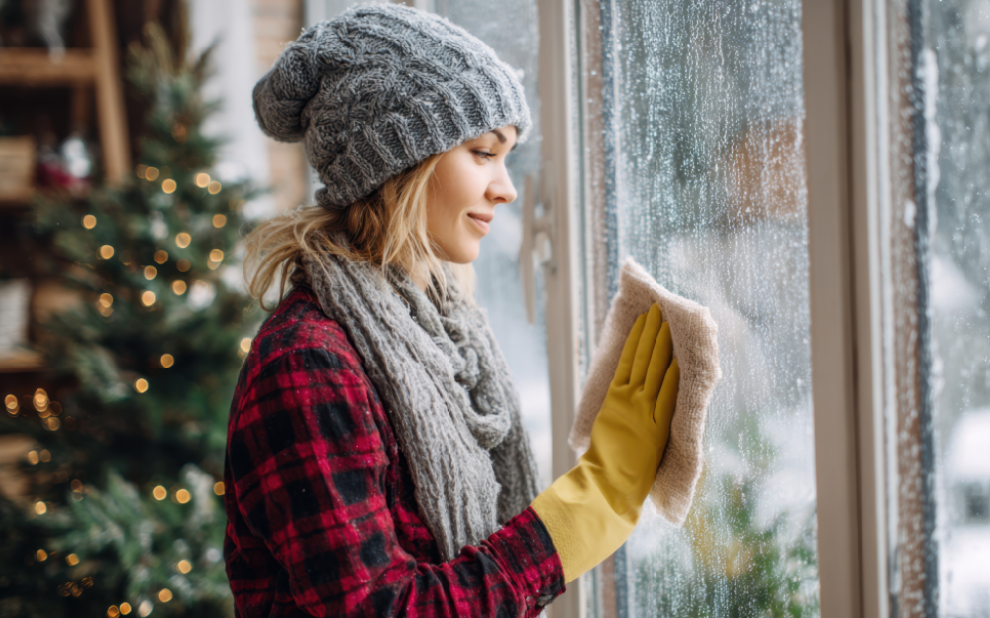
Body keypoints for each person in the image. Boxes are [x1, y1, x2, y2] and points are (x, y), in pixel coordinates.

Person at [225, 4, 679, 617]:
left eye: (508, 155)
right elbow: (385, 609)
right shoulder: (308, 364)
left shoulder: (438, 331)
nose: (507, 188)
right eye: (483, 152)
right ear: (400, 160)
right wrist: (589, 509)